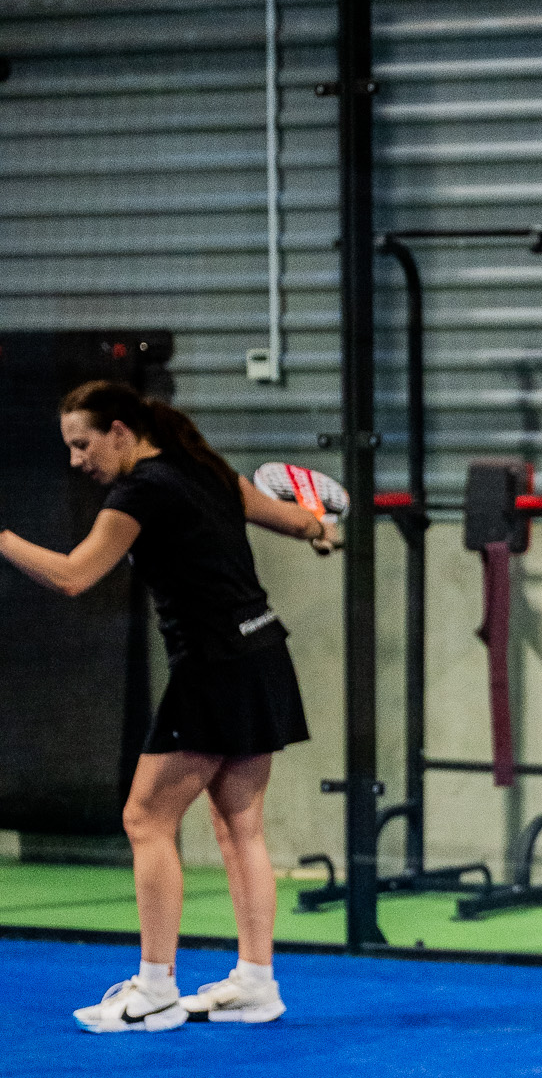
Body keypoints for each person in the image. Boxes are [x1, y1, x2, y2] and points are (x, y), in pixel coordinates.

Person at [0, 380, 337, 1033]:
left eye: (83, 444)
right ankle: (256, 984)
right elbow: (298, 521)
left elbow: (74, 575)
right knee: (239, 825)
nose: (76, 460)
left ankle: (155, 990)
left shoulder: (141, 491)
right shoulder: (206, 468)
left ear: (120, 432)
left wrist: (3, 538)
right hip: (262, 652)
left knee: (145, 817)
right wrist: (322, 529)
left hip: (213, 667)